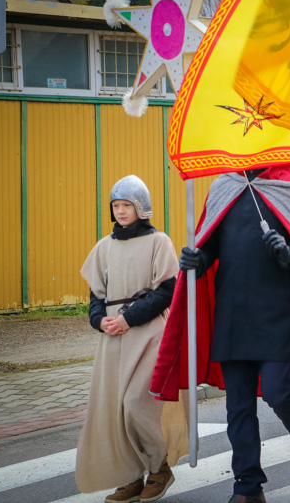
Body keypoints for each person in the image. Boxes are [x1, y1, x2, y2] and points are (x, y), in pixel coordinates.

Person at [150, 164, 290, 503]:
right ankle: (247, 487)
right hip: (232, 309)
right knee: (237, 406)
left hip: (281, 306)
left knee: (277, 389)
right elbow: (213, 245)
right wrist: (198, 258)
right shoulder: (224, 185)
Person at [77, 175, 186, 503]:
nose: (121, 211)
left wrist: (129, 318)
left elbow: (166, 290)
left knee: (136, 405)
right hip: (113, 338)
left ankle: (160, 467)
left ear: (142, 208)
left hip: (148, 333)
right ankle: (130, 476)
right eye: (116, 205)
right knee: (114, 410)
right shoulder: (104, 247)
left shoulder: (159, 242)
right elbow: (96, 295)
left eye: (127, 205)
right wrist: (101, 320)